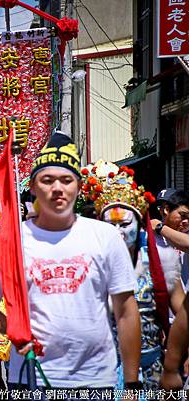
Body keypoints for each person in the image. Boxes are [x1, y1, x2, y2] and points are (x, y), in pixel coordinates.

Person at [0, 133, 142, 392]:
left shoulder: (105, 236)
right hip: (30, 378)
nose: (57, 188)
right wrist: (15, 328)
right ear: (32, 187)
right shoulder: (11, 239)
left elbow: (126, 312)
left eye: (66, 180)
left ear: (78, 185)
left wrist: (132, 385)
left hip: (95, 380)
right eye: (47, 180)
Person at [82, 160, 175, 390]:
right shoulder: (88, 265)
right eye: (109, 225)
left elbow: (181, 310)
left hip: (151, 369)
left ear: (140, 225)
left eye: (124, 224)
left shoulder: (161, 259)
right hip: (104, 372)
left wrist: (176, 359)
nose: (117, 233)